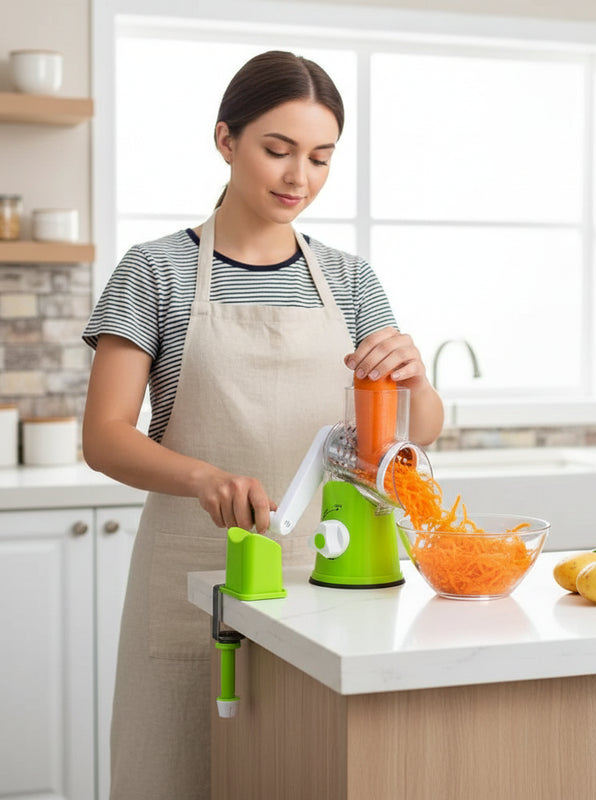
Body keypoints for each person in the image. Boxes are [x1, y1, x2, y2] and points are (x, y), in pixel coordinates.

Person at [82, 50, 444, 799]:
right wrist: (203, 478)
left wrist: (415, 375)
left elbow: (417, 436)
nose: (298, 178)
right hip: (193, 584)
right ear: (226, 141)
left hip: (330, 590)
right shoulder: (154, 271)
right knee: (174, 775)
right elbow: (105, 434)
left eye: (319, 157)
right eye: (277, 150)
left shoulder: (349, 278)